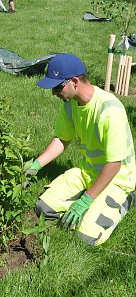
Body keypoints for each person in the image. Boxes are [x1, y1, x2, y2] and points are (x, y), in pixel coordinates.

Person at [26, 53, 135, 246]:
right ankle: (87, 199)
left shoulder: (110, 111)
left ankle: (124, 199)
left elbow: (114, 164)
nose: (54, 94)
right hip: (89, 171)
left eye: (57, 88)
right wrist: (36, 165)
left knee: (85, 236)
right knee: (44, 207)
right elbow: (62, 139)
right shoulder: (70, 105)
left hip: (117, 179)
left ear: (75, 81)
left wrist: (86, 200)